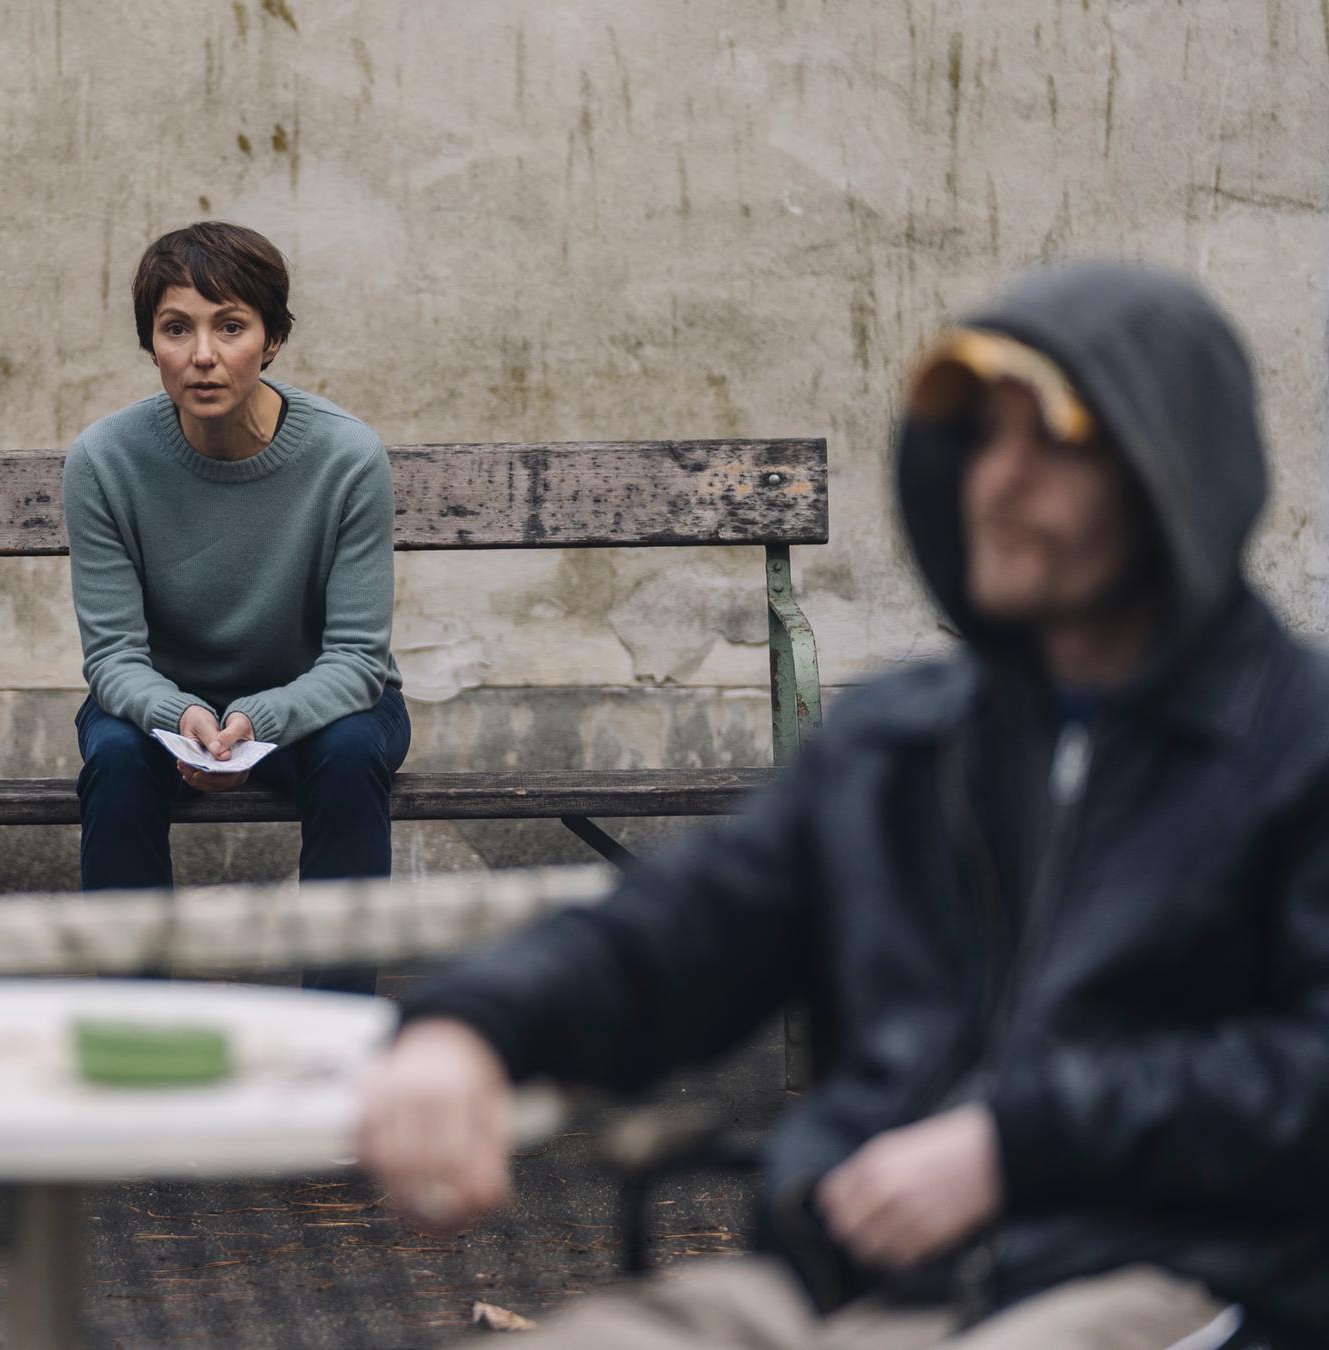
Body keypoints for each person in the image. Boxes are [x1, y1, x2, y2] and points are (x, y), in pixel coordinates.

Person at [360, 262, 1329, 1347]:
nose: (996, 482)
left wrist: (1014, 1143)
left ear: (1172, 471)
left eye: (1052, 442)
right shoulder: (905, 743)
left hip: (1171, 1276)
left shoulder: (1297, 745)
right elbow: (679, 931)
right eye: (984, 438)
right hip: (850, 1278)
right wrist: (469, 1028)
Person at [66, 221, 407, 996]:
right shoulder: (105, 459)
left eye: (231, 326)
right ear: (151, 344)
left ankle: (337, 1023)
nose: (204, 355)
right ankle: (133, 1017)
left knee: (356, 754)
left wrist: (261, 718)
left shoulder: (346, 457)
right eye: (176, 329)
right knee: (115, 757)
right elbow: (112, 656)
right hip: (165, 710)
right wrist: (176, 711)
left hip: (320, 706)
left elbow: (357, 660)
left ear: (274, 338)